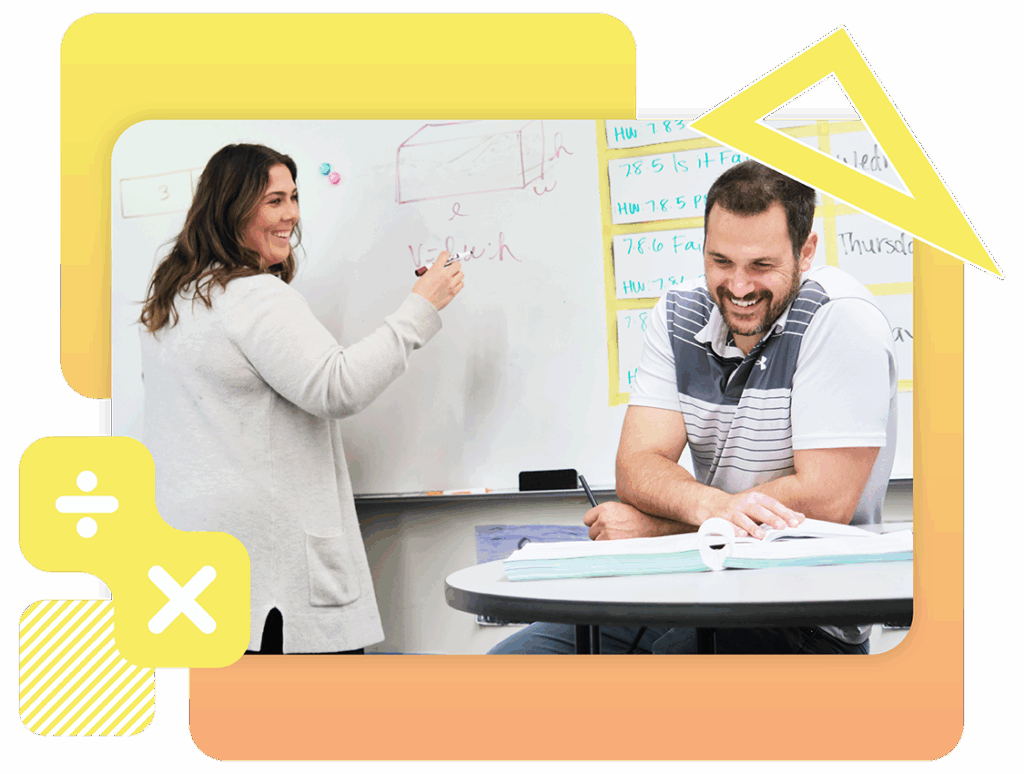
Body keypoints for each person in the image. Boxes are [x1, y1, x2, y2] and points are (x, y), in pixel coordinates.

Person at [490, 160, 897, 655]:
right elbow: (636, 467)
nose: (740, 287)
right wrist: (718, 510)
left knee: (655, 693)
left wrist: (661, 528)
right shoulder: (679, 313)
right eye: (721, 261)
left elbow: (825, 501)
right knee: (512, 666)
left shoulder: (841, 319)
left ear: (806, 250)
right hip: (693, 583)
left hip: (803, 613)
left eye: (761, 266)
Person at [138, 143, 464, 654]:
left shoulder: (174, 303)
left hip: (195, 577)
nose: (291, 214)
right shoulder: (253, 297)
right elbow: (338, 386)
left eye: (293, 197)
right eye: (273, 200)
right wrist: (420, 309)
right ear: (232, 208)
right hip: (272, 586)